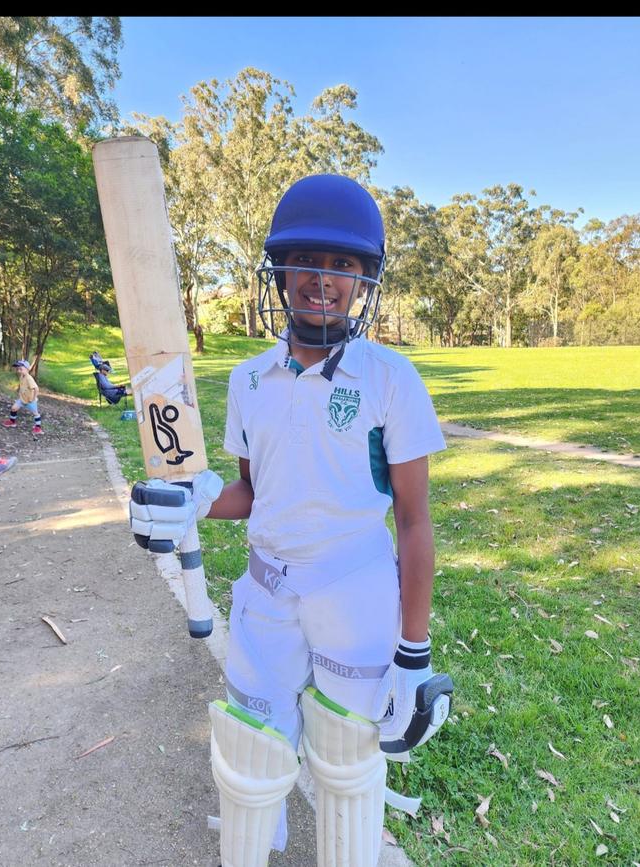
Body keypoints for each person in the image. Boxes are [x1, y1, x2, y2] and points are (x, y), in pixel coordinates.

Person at [129, 175, 453, 867]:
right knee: (250, 752)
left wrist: (413, 648)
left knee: (346, 756)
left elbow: (417, 521)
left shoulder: (391, 378)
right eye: (306, 259)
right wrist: (192, 499)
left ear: (366, 279)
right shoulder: (248, 380)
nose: (322, 279)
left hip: (357, 594)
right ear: (278, 270)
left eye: (343, 265)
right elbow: (252, 492)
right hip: (266, 592)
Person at [2, 360, 43, 435]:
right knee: (13, 408)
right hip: (22, 399)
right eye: (18, 369)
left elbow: (36, 389)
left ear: (27, 369)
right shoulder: (22, 376)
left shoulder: (29, 378)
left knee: (35, 413)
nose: (19, 371)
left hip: (30, 400)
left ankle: (38, 427)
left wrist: (34, 398)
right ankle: (12, 422)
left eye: (21, 369)